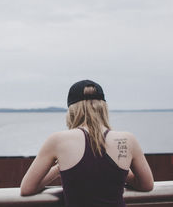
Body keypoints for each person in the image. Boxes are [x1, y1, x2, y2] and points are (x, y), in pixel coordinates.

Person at [20, 80, 154, 206]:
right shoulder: (128, 140)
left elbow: (27, 188)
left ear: (72, 111)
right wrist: (120, 172)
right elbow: (146, 185)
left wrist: (59, 169)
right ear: (103, 108)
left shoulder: (58, 140)